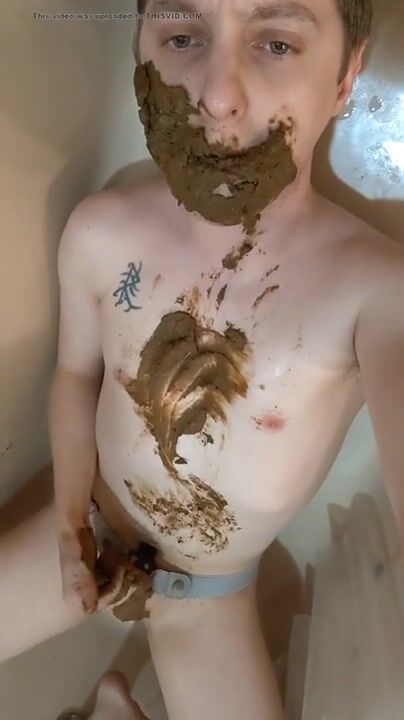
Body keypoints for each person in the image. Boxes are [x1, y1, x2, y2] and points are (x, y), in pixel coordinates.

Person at [2, 0, 404, 718]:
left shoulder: (376, 293)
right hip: (93, 532)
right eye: (183, 36)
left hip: (211, 594)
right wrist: (66, 523)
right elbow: (76, 377)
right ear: (140, 50)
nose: (218, 96)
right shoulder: (99, 233)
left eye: (276, 44)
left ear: (346, 75)